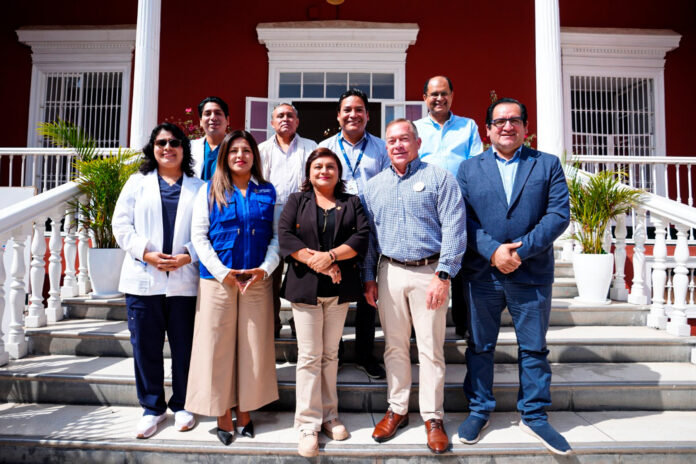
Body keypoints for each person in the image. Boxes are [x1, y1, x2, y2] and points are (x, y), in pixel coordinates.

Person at [455, 98, 571, 455]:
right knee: (480, 346)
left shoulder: (546, 164)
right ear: (487, 129)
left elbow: (558, 215)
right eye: (500, 121)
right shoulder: (468, 169)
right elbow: (462, 218)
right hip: (482, 273)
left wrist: (519, 252)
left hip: (531, 272)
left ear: (525, 127)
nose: (507, 126)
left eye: (515, 120)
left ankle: (534, 415)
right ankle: (479, 410)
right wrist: (493, 251)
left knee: (534, 348)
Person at [363, 119, 466, 454]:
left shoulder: (439, 178)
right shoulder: (374, 186)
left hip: (429, 272)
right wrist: (369, 278)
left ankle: (433, 417)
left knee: (430, 349)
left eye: (404, 139)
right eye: (392, 140)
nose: (398, 145)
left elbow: (454, 229)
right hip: (390, 272)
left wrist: (444, 275)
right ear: (386, 146)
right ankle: (397, 409)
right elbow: (370, 240)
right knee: (393, 346)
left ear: (417, 143)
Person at [185, 130, 280, 446]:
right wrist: (222, 272)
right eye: (234, 150)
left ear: (255, 156)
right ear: (225, 156)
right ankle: (222, 412)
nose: (241, 156)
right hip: (218, 281)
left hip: (256, 280)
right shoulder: (209, 190)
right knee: (217, 348)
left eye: (247, 150)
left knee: (253, 346)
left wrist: (265, 269)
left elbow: (276, 237)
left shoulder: (267, 190)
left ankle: (246, 410)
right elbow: (199, 237)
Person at [112, 122, 204, 438]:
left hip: (184, 281)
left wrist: (188, 255)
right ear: (153, 148)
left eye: (174, 142)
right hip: (143, 279)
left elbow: (207, 231)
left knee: (184, 348)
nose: (168, 148)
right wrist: (146, 253)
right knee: (145, 347)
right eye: (161, 142)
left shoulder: (200, 187)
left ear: (184, 149)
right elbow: (121, 225)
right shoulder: (136, 183)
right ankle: (152, 409)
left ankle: (183, 404)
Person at [278, 147, 370, 458]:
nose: (324, 171)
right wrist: (319, 263)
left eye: (330, 166)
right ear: (309, 171)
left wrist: (331, 257)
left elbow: (361, 237)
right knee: (309, 356)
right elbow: (286, 236)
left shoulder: (351, 202)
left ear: (338, 172)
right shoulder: (297, 200)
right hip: (305, 289)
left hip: (339, 290)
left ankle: (330, 415)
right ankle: (308, 424)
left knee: (331, 354)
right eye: (318, 166)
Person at [319, 89, 389, 379]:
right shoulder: (325, 147)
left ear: (368, 115)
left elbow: (388, 185)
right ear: (338, 116)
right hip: (334, 229)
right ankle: (332, 353)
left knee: (367, 292)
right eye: (347, 110)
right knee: (333, 290)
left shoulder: (381, 148)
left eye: (359, 110)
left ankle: (364, 354)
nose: (353, 115)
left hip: (370, 228)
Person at [414, 75, 483, 339]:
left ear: (452, 96)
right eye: (434, 94)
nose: (439, 98)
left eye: (444, 93)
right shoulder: (415, 128)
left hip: (459, 206)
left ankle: (463, 326)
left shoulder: (468, 127)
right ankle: (422, 327)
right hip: (425, 208)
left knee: (461, 267)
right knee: (425, 267)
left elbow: (475, 164)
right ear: (425, 98)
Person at [259, 103, 318, 338]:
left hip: (303, 217)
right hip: (268, 219)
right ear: (272, 123)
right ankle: (271, 325)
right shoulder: (262, 150)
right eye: (280, 116)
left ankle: (298, 324)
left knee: (301, 274)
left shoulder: (311, 147)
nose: (285, 119)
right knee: (271, 275)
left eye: (290, 115)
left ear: (297, 121)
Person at [191, 96, 230, 180]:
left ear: (227, 120)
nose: (213, 118)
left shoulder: (236, 148)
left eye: (218, 113)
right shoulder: (189, 148)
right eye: (207, 114)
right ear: (200, 121)